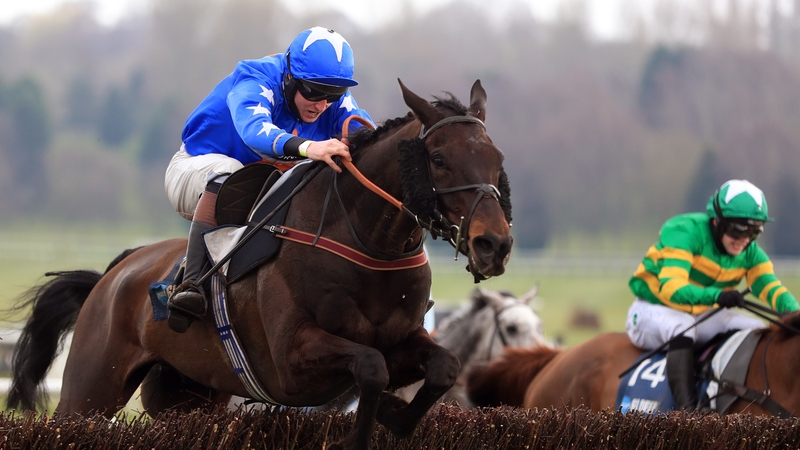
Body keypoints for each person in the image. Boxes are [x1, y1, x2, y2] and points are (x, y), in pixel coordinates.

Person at [164, 26, 374, 333]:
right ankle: (191, 284)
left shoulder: (329, 98)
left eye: (333, 95)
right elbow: (254, 133)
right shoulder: (255, 79)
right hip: (195, 171)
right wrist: (310, 147)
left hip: (260, 189)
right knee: (233, 173)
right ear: (290, 76)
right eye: (314, 91)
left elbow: (368, 137)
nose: (322, 105)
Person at [626, 179, 798, 410]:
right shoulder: (685, 232)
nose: (744, 240)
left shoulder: (750, 253)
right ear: (717, 221)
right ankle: (687, 413)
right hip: (652, 310)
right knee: (680, 326)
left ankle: (717, 393)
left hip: (701, 314)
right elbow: (672, 287)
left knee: (755, 327)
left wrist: (794, 314)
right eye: (738, 229)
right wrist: (717, 296)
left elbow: (772, 289)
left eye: (754, 231)